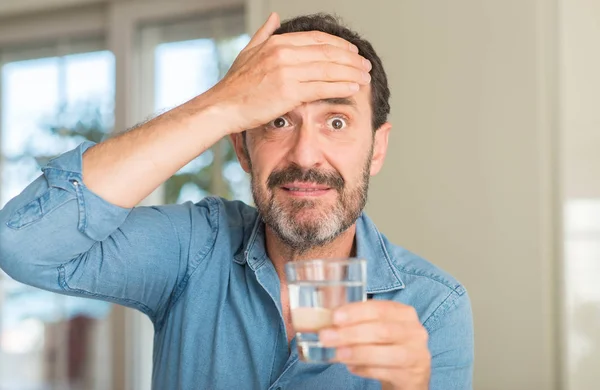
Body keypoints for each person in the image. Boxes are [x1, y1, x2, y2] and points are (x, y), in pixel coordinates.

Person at [0, 12, 473, 390]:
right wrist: (222, 102)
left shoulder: (434, 307)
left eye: (336, 122)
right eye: (278, 121)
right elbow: (25, 244)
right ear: (243, 148)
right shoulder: (193, 250)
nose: (306, 154)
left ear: (378, 149)